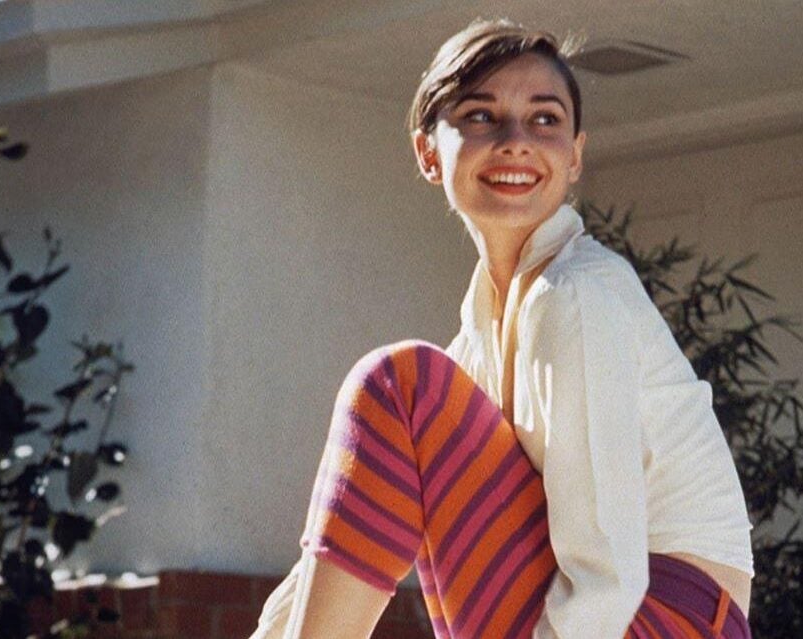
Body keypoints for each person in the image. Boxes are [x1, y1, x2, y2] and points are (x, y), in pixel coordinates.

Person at [251, 17, 754, 639]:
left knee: (400, 381)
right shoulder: (481, 331)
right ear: (429, 153)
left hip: (660, 618)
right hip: (629, 614)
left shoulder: (575, 296)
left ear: (574, 157)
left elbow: (607, 575)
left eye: (545, 120)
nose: (517, 140)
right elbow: (341, 533)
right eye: (482, 117)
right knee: (409, 396)